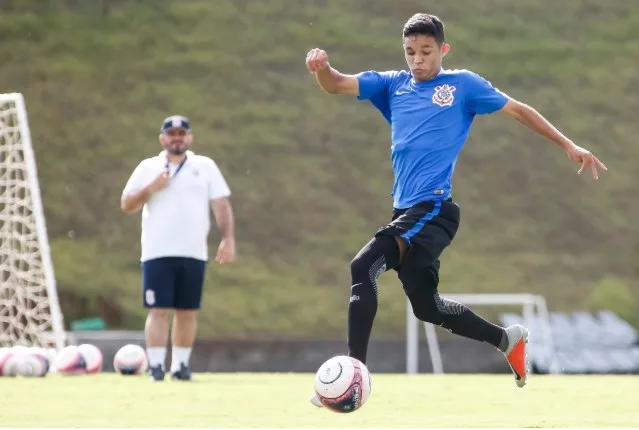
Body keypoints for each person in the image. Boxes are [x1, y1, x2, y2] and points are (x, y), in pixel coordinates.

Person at [305, 13, 606, 403]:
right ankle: (505, 339)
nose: (417, 59)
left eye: (426, 51)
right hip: (407, 213)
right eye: (410, 51)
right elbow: (336, 85)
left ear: (443, 50)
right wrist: (322, 67)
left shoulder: (462, 86)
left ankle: (354, 376)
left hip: (433, 209)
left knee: (363, 266)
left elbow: (518, 110)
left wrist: (569, 144)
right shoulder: (391, 86)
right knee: (427, 308)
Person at [120, 115, 236, 381]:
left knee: (187, 311)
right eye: (171, 134)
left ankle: (181, 366)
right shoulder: (148, 167)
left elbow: (221, 205)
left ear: (189, 138)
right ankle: (157, 366)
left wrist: (227, 238)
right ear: (162, 139)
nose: (176, 138)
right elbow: (127, 204)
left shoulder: (204, 166)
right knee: (158, 310)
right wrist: (152, 187)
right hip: (157, 250)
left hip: (193, 251)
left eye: (181, 133)